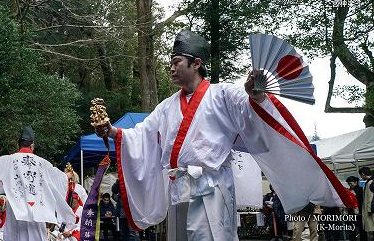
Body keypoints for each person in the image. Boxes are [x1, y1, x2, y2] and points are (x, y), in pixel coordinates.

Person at [94, 30, 356, 240]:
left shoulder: (223, 94)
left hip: (212, 187)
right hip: (179, 187)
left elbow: (250, 117)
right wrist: (113, 131)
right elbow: (144, 135)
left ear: (196, 63)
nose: (171, 69)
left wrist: (256, 95)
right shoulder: (166, 106)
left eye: (176, 62)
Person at [0, 126, 76, 241]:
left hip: (16, 208)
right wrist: (67, 176)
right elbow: (57, 178)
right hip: (37, 209)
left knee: (14, 236)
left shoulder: (8, 160)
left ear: (19, 145)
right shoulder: (42, 163)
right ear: (32, 145)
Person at [346, 175, 366, 241]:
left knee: (362, 230)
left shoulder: (361, 189)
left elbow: (362, 201)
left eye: (350, 183)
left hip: (360, 213)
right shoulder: (348, 190)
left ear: (356, 182)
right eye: (348, 184)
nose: (349, 185)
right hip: (351, 213)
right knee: (351, 230)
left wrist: (355, 195)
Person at [359, 167, 374, 236]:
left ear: (363, 174)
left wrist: (369, 210)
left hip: (371, 210)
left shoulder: (370, 182)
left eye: (361, 175)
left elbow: (371, 197)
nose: (361, 177)